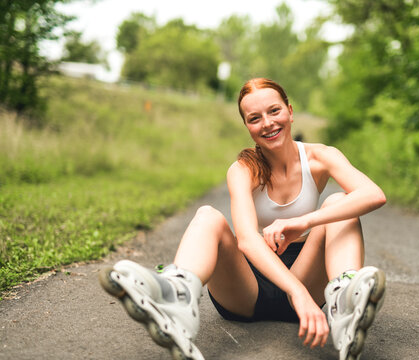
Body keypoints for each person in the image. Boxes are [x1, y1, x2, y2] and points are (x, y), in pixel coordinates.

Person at [99, 78, 387, 360]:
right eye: (254, 118)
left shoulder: (321, 157)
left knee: (339, 203)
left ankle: (346, 300)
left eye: (274, 111)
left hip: (305, 272)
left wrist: (305, 222)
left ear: (290, 111)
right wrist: (296, 292)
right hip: (247, 288)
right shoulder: (243, 169)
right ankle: (175, 297)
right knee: (208, 216)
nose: (267, 123)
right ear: (247, 126)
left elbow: (373, 194)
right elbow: (248, 241)